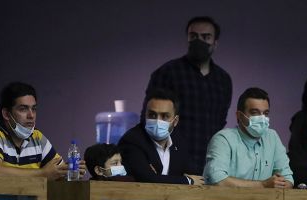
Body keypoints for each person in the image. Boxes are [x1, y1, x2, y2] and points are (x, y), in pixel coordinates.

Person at [144, 16, 232, 172]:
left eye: (206, 37)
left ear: (215, 43)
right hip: (173, 160)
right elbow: (148, 118)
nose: (199, 41)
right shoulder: (168, 72)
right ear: (187, 38)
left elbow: (220, 122)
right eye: (194, 36)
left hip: (210, 162)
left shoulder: (223, 80)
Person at [0, 82, 78, 180]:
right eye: (23, 109)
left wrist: (71, 172)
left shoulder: (37, 137)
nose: (31, 115)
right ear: (6, 114)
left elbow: (56, 172)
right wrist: (42, 174)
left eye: (33, 109)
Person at [203, 87, 293, 188]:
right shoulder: (223, 139)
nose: (262, 118)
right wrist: (263, 185)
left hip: (266, 199)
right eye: (255, 112)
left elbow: (288, 179)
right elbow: (218, 181)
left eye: (266, 113)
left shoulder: (272, 137)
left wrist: (281, 184)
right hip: (227, 198)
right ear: (239, 115)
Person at [119, 89, 203, 184]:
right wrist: (187, 180)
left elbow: (196, 175)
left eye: (165, 116)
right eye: (152, 115)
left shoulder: (179, 141)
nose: (157, 120)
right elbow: (147, 179)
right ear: (145, 115)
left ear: (175, 121)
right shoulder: (132, 140)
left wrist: (158, 177)